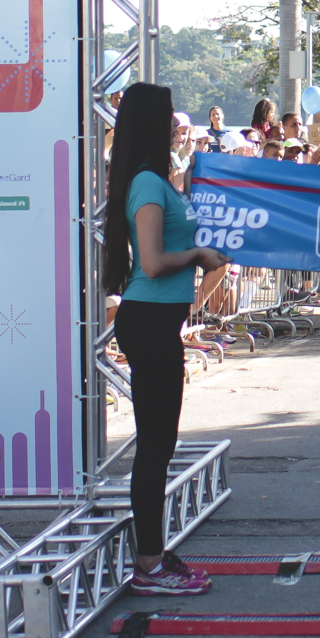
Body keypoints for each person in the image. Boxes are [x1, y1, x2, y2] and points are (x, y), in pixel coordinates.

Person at [102, 82, 228, 598]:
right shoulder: (149, 184)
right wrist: (197, 258)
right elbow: (151, 263)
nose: (178, 127)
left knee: (161, 442)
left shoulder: (158, 180)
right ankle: (148, 563)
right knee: (155, 446)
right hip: (149, 321)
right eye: (170, 118)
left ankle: (152, 552)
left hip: (159, 322)